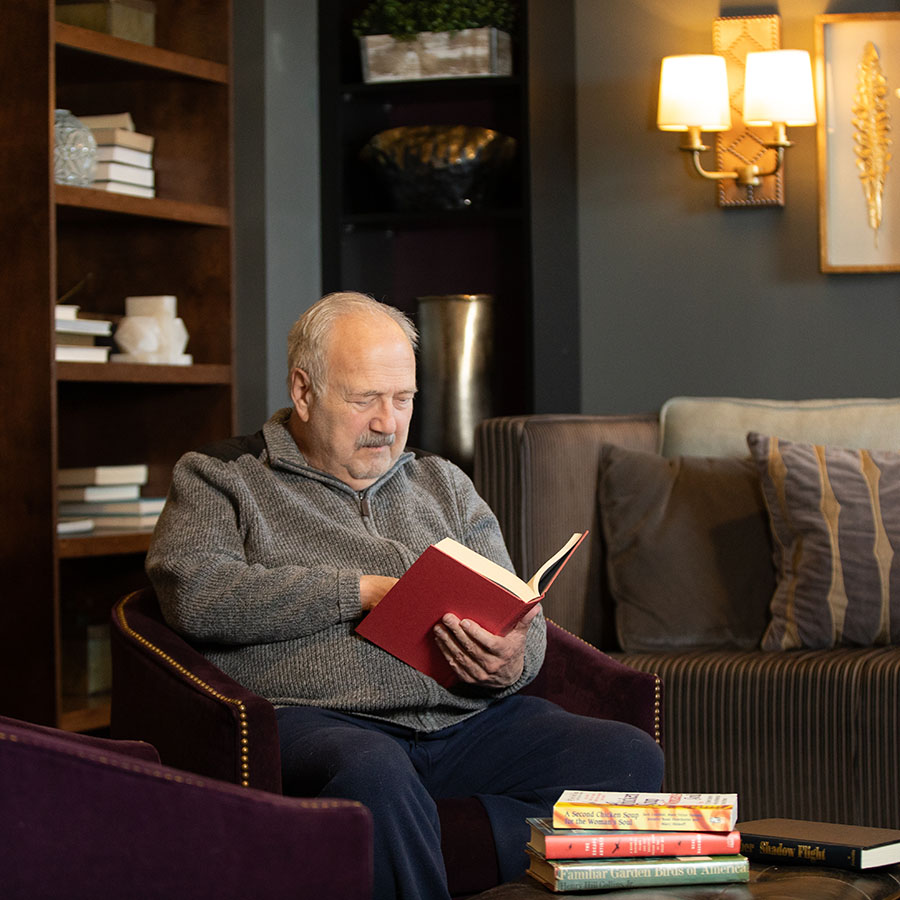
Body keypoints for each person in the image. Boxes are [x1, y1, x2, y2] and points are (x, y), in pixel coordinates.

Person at [147, 291, 664, 899]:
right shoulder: (221, 477)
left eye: (403, 399)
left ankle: (438, 850)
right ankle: (441, 851)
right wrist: (360, 592)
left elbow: (520, 613)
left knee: (624, 759)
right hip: (319, 722)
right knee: (375, 773)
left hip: (465, 724)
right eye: (365, 399)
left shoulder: (442, 483)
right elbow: (196, 593)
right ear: (304, 391)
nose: (386, 422)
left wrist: (511, 661)